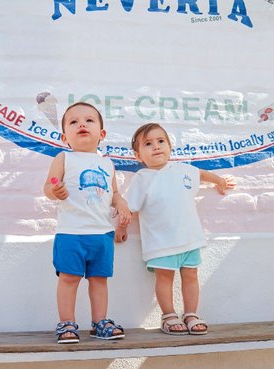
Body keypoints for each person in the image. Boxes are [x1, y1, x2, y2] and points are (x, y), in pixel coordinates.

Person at [115, 123, 236, 336]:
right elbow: (129, 206)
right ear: (138, 155)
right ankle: (168, 315)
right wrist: (122, 226)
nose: (156, 147)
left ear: (170, 146)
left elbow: (201, 174)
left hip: (189, 237)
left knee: (191, 275)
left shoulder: (183, 170)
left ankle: (191, 313)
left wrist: (219, 181)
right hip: (161, 241)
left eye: (161, 141)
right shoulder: (142, 179)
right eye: (148, 144)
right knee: (164, 277)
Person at [44, 102, 131, 343]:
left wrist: (121, 204)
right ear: (65, 136)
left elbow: (113, 193)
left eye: (89, 120)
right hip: (71, 233)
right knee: (69, 278)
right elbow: (48, 187)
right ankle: (66, 323)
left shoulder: (107, 164)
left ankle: (99, 322)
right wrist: (55, 191)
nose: (81, 124)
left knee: (99, 280)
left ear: (101, 134)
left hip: (101, 234)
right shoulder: (64, 158)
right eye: (73, 122)